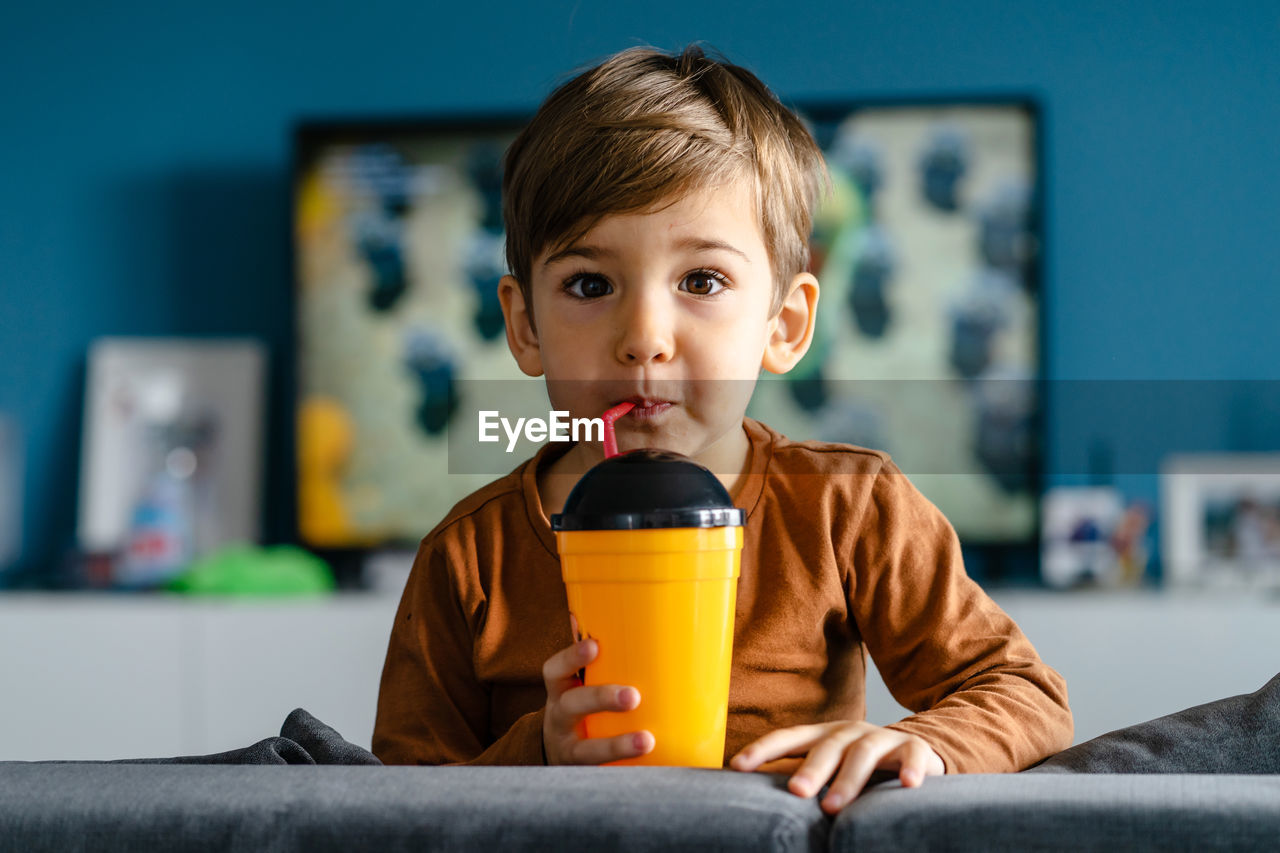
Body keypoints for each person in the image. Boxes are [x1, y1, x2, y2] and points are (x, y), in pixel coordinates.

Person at [372, 44, 1072, 813]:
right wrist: (536, 751)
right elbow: (398, 798)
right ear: (524, 323)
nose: (645, 336)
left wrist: (927, 743)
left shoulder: (848, 505)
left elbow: (1023, 693)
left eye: (701, 281)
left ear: (787, 322)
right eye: (590, 283)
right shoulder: (470, 555)